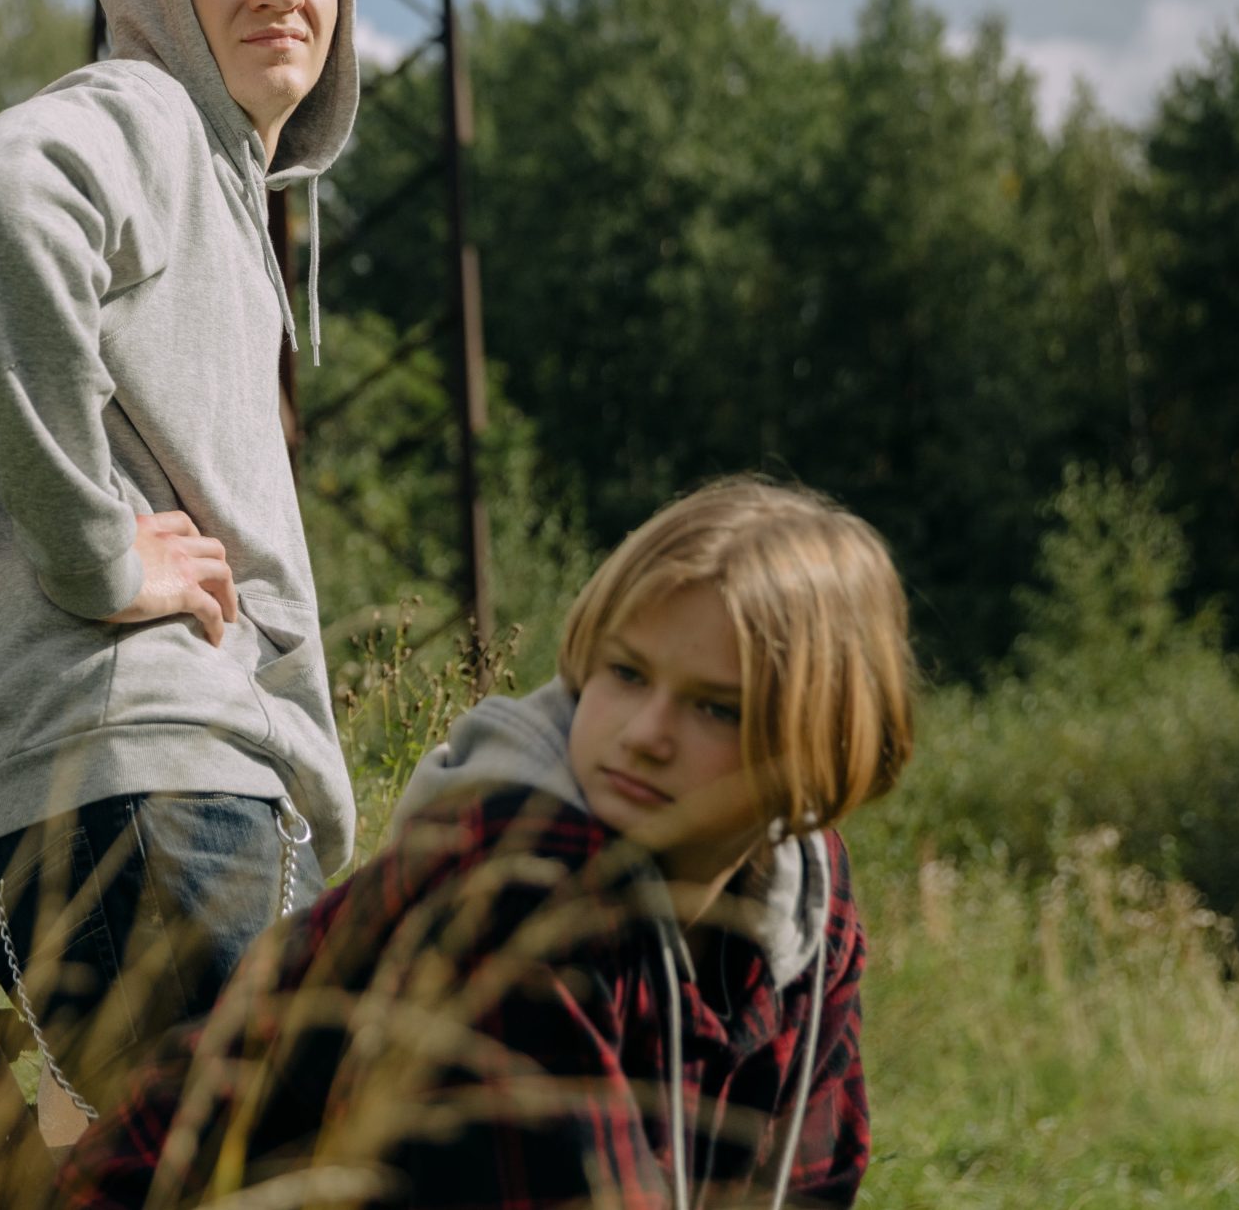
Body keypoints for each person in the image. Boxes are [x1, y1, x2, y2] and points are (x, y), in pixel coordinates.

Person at [54, 477, 918, 1208]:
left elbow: (815, 1174)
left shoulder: (808, 898)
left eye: (714, 707)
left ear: (819, 746)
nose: (645, 732)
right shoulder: (515, 881)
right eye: (625, 673)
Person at [0, 0, 361, 1129]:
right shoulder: (147, 111)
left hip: (181, 782)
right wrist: (102, 551)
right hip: (143, 775)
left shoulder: (222, 185)